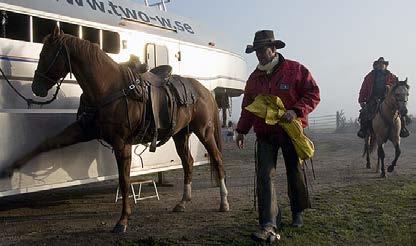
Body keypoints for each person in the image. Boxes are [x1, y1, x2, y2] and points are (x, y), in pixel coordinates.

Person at [235, 30, 320, 242]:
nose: (260, 55)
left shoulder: (296, 70)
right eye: (256, 52)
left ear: (274, 49)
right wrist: (241, 130)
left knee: (294, 172)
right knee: (264, 176)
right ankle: (269, 223)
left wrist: (297, 110)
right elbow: (248, 107)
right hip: (265, 134)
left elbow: (313, 94)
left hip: (291, 131)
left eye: (263, 50)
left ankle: (298, 211)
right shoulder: (254, 79)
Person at [357, 57, 409, 138]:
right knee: (364, 113)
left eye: (383, 64)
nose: (381, 65)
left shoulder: (392, 76)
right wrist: (361, 100)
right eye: (379, 64)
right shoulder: (369, 77)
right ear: (376, 65)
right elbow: (364, 88)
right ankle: (363, 130)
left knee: (401, 110)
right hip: (373, 98)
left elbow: (397, 88)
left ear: (386, 65)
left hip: (387, 98)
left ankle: (403, 129)